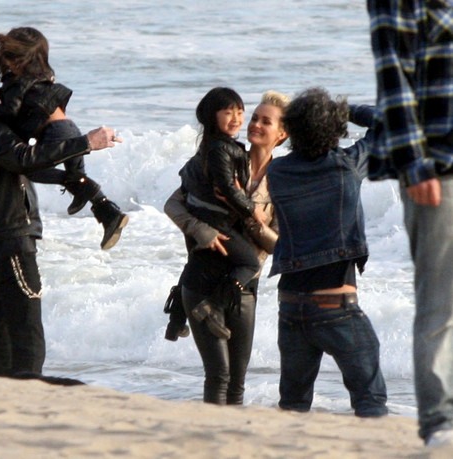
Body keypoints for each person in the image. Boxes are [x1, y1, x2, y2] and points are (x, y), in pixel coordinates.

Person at [0, 59, 118, 378]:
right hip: (9, 247)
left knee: (1, 361)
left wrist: (73, 181)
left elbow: (22, 164)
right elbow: (23, 157)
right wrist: (86, 142)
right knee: (28, 353)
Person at [266, 87, 388, 418]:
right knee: (369, 399)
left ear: (290, 129)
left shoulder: (276, 173)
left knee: (293, 404)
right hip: (335, 307)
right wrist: (345, 110)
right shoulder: (346, 167)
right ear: (334, 129)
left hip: (290, 306)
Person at [164, 90, 289, 405]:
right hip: (203, 276)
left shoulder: (286, 182)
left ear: (282, 133)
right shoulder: (224, 158)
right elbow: (173, 204)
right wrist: (200, 229)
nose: (254, 125)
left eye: (265, 121)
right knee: (218, 376)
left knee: (237, 382)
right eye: (255, 117)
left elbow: (280, 246)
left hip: (244, 286)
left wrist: (252, 222)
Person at [367, 0, 453, 445]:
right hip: (438, 166)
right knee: (441, 300)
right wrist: (414, 160)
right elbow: (393, 73)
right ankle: (441, 423)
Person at [0, 27, 128, 250]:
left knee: (30, 169)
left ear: (20, 61)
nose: (7, 64)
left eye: (10, 58)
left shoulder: (19, 84)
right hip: (69, 128)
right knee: (78, 177)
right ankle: (109, 213)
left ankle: (84, 194)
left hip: (57, 133)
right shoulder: (42, 78)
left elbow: (10, 112)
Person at [176, 87, 262, 340]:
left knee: (199, 262)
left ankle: (177, 316)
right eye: (228, 112)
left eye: (240, 112)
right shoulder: (218, 149)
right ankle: (212, 307)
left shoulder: (223, 147)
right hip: (216, 220)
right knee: (249, 262)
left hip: (212, 218)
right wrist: (250, 208)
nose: (236, 118)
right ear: (213, 116)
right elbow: (226, 188)